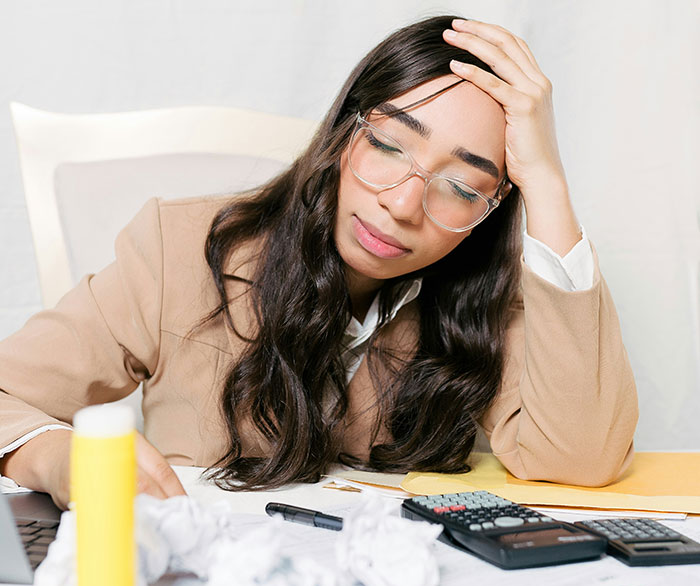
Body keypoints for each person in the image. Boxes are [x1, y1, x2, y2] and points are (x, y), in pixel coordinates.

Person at [0, 16, 638, 509]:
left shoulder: (496, 299)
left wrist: (547, 182)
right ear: (342, 135)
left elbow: (580, 457)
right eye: (389, 145)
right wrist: (55, 458)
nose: (403, 205)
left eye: (464, 188)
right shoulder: (178, 247)